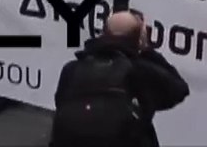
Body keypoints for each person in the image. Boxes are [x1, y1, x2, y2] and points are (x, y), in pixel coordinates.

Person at [50, 10, 189, 147]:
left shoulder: (71, 69)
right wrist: (146, 50)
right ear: (139, 39)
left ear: (104, 34)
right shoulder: (141, 72)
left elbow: (60, 101)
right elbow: (179, 89)